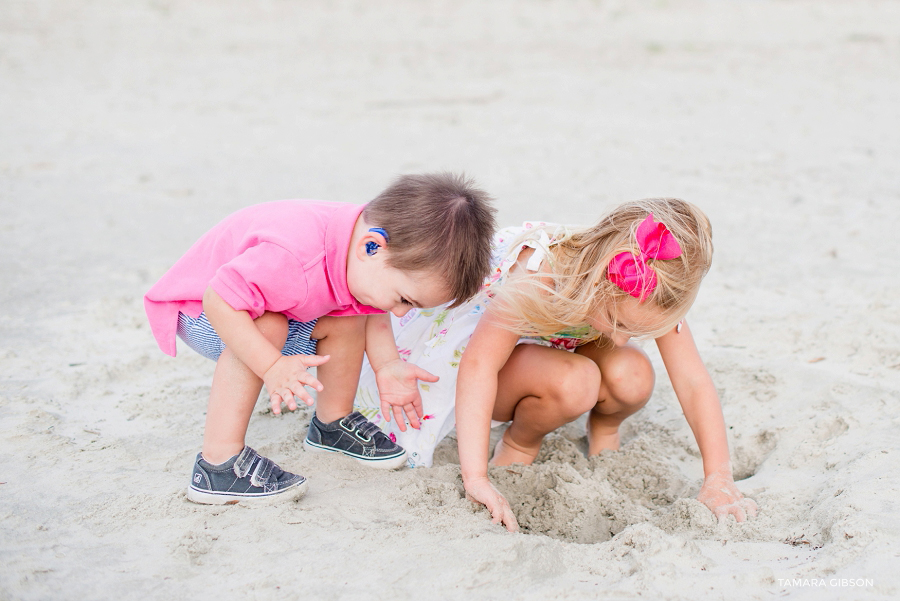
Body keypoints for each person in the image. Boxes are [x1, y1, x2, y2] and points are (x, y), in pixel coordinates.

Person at [354, 198, 757, 531]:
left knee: (632, 373)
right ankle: (519, 442)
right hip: (482, 352)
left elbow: (692, 380)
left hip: (549, 346)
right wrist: (475, 478)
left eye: (633, 331)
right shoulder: (539, 270)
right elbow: (479, 366)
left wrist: (718, 477)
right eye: (618, 323)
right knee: (576, 380)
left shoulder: (654, 286)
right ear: (601, 280)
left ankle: (605, 426)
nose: (619, 339)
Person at [144, 173, 496, 505]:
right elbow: (217, 300)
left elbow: (369, 309)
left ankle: (331, 425)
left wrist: (388, 365)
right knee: (270, 326)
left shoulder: (366, 251)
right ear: (372, 247)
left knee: (347, 318)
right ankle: (217, 464)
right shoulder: (295, 258)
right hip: (201, 312)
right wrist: (272, 366)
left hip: (257, 302)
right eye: (404, 299)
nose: (401, 313)